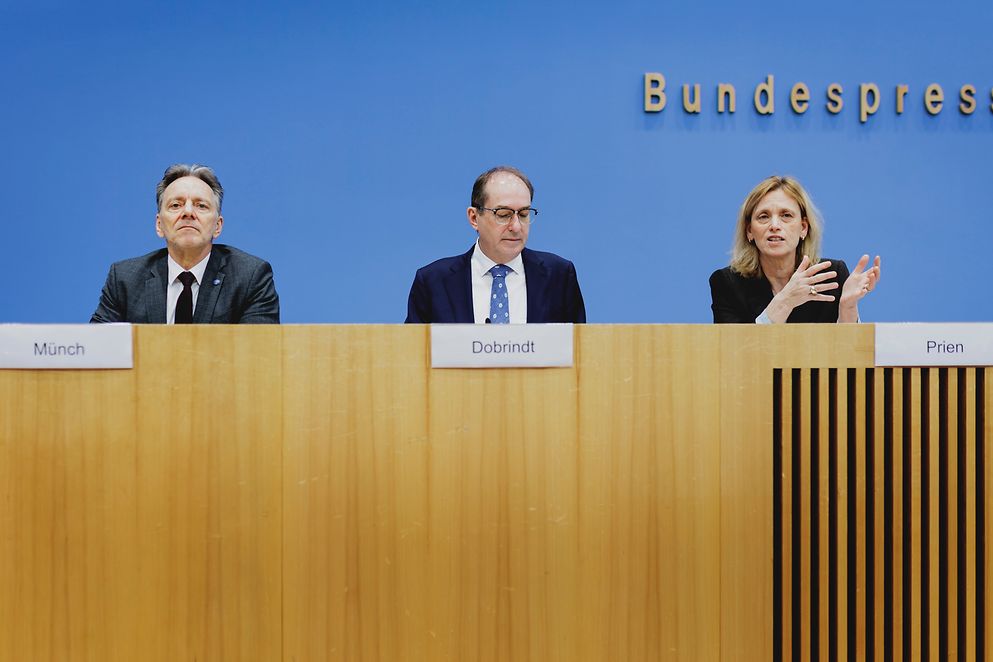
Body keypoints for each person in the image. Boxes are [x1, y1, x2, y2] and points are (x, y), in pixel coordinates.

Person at [91, 164, 279, 324]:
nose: (188, 212)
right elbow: (97, 347)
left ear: (218, 226)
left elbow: (259, 351)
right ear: (159, 225)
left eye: (201, 205)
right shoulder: (125, 280)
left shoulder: (249, 277)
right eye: (176, 205)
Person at [405, 166, 586, 323]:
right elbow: (412, 350)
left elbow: (580, 348)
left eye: (524, 214)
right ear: (474, 218)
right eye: (504, 214)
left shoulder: (559, 276)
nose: (516, 226)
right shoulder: (433, 282)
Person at [709, 176, 880, 323]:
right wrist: (786, 300)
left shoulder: (832, 276)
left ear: (803, 228)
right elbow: (734, 349)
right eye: (763, 216)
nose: (774, 225)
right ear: (749, 231)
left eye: (786, 215)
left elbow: (848, 348)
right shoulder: (726, 283)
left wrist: (848, 307)